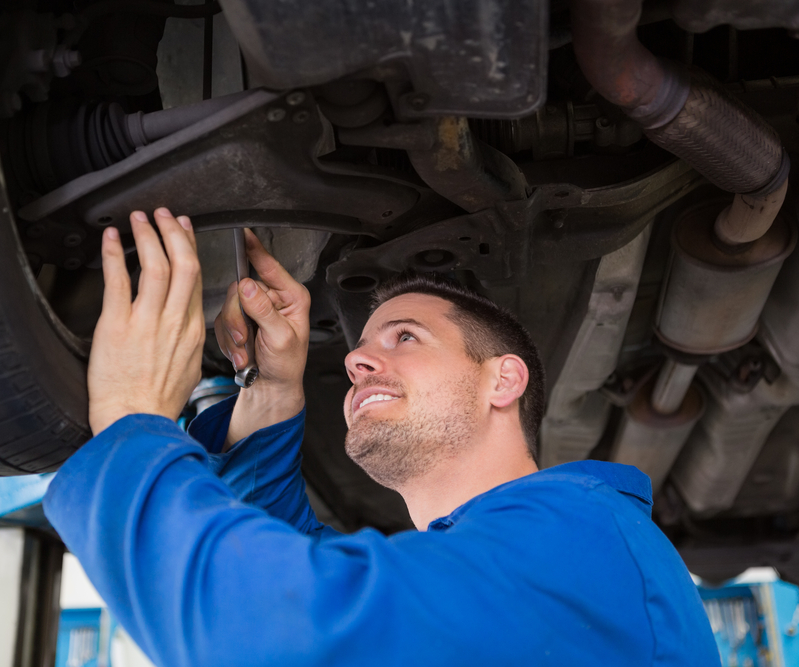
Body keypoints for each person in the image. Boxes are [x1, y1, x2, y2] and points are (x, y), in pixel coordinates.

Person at [43, 208, 720, 666]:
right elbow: (299, 564)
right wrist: (271, 391)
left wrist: (134, 426)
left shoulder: (585, 532)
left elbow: (288, 630)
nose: (356, 359)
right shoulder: (532, 559)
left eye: (405, 337)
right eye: (361, 347)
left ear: (502, 380)